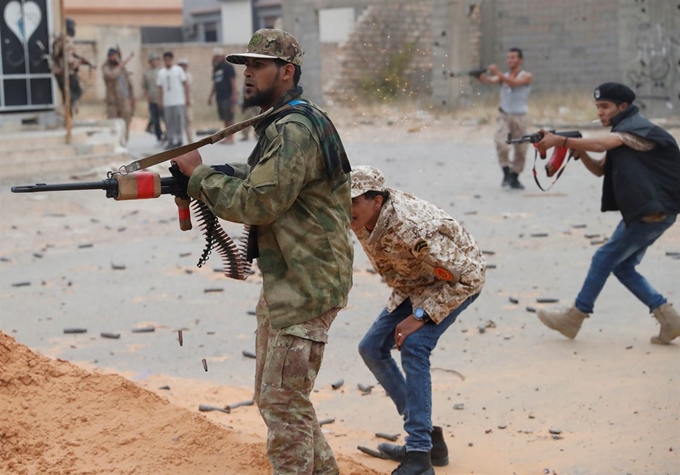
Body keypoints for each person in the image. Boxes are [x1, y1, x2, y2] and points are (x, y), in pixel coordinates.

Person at [172, 29, 353, 474]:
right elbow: (260, 176)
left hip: (306, 284)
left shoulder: (293, 127)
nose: (247, 75)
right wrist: (202, 176)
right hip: (289, 279)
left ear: (286, 72)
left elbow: (259, 201)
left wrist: (199, 179)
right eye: (245, 67)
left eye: (257, 66)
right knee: (280, 398)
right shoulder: (288, 120)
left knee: (282, 401)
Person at [350, 166, 486, 475]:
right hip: (415, 283)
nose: (346, 210)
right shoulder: (359, 217)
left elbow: (468, 277)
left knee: (413, 344)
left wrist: (421, 316)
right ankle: (426, 441)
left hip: (456, 283)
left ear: (377, 201)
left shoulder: (411, 227)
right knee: (371, 348)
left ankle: (419, 456)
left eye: (353, 201)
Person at [535, 82, 680, 344]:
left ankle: (574, 318)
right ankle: (669, 319)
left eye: (605, 107)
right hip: (655, 211)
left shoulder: (635, 128)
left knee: (603, 259)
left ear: (622, 107)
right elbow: (601, 167)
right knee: (623, 267)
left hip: (652, 211)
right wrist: (580, 152)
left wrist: (559, 140)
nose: (600, 112)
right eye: (598, 107)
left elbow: (603, 145)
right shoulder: (623, 131)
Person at [477, 47, 533, 189]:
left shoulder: (526, 76)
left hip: (520, 117)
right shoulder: (504, 76)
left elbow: (513, 83)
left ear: (520, 60)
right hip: (504, 115)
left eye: (513, 57)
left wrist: (497, 73)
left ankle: (515, 176)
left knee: (521, 149)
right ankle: (506, 171)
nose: (510, 60)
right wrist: (480, 77)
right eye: (508, 57)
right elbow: (491, 80)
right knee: (501, 143)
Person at [157, 51, 189, 149]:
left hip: (178, 100)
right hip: (167, 102)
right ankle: (170, 140)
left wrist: (187, 97)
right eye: (165, 60)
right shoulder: (161, 72)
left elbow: (185, 84)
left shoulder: (178, 70)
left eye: (169, 60)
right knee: (169, 122)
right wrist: (160, 101)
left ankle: (179, 139)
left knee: (179, 121)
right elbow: (160, 88)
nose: (167, 62)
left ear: (171, 60)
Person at [51, 18, 84, 113]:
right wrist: (77, 63)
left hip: (58, 71)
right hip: (65, 72)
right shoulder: (67, 40)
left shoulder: (59, 39)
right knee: (77, 92)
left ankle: (68, 114)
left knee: (67, 94)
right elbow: (69, 60)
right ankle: (64, 108)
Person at [102, 48, 134, 143]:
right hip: (113, 100)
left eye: (116, 55)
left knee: (126, 119)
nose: (114, 58)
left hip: (124, 99)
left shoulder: (121, 67)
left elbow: (128, 82)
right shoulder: (106, 67)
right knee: (113, 122)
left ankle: (124, 140)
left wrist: (131, 96)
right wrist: (120, 66)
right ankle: (114, 142)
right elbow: (112, 75)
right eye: (112, 56)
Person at [208, 47, 237, 143]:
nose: (217, 58)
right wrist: (210, 96)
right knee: (224, 117)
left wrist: (234, 95)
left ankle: (231, 138)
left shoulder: (228, 67)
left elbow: (233, 81)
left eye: (219, 56)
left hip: (228, 95)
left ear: (222, 56)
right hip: (219, 96)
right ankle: (227, 136)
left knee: (229, 117)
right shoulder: (216, 68)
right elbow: (215, 84)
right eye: (216, 56)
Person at [142, 53, 163, 143]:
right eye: (153, 60)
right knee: (155, 118)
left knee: (165, 118)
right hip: (152, 99)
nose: (155, 62)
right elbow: (144, 87)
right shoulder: (146, 73)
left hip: (162, 99)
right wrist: (147, 97)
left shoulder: (162, 71)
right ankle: (159, 136)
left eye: (156, 60)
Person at [177, 58, 194, 143]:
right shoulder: (175, 75)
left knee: (188, 120)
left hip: (186, 100)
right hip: (177, 100)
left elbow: (186, 87)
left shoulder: (188, 76)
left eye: (184, 65)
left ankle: (190, 140)